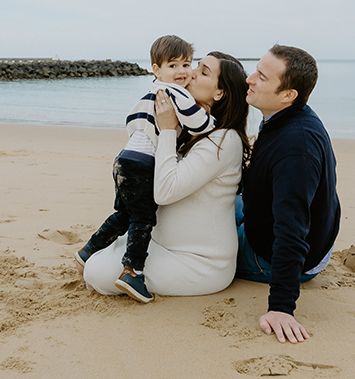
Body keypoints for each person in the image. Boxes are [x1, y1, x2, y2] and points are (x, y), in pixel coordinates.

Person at [82, 52, 251, 300]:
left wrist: (168, 128)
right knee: (101, 261)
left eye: (203, 72)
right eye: (196, 66)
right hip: (162, 245)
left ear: (220, 93)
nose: (190, 73)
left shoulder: (225, 139)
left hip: (199, 263)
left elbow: (164, 192)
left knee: (96, 272)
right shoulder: (193, 128)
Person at [237, 44, 340, 343]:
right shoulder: (284, 115)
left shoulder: (297, 145)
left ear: (287, 94)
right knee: (211, 199)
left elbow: (291, 227)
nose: (250, 79)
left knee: (198, 237)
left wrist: (281, 307)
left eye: (262, 77)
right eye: (255, 70)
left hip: (278, 255)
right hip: (306, 230)